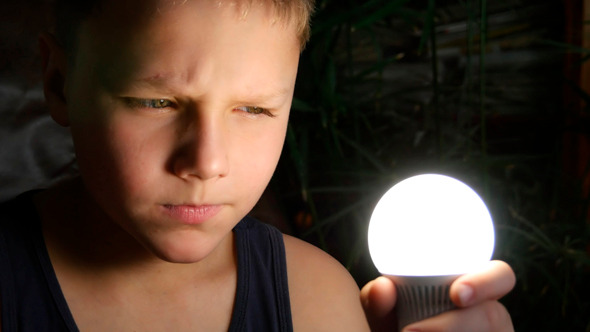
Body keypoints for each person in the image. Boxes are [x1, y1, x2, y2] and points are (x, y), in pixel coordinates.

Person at [0, 0, 516, 330]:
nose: (207, 162)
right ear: (59, 83)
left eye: (255, 109)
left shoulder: (316, 302)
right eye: (155, 102)